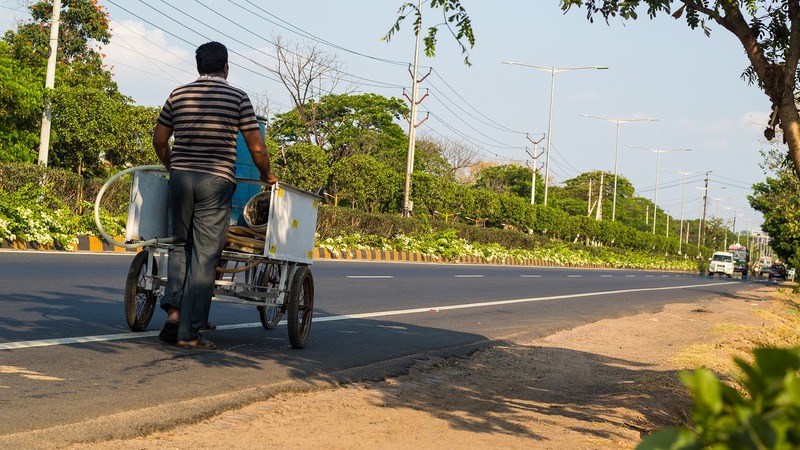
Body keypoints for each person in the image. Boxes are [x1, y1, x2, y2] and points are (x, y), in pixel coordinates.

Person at [152, 41, 278, 350]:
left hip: (180, 179)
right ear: (226, 67)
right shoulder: (237, 97)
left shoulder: (178, 94)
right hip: (216, 181)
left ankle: (174, 314)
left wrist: (174, 165)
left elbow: (159, 140)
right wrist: (266, 176)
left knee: (180, 246)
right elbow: (257, 147)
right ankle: (189, 332)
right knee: (207, 255)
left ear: (198, 67)